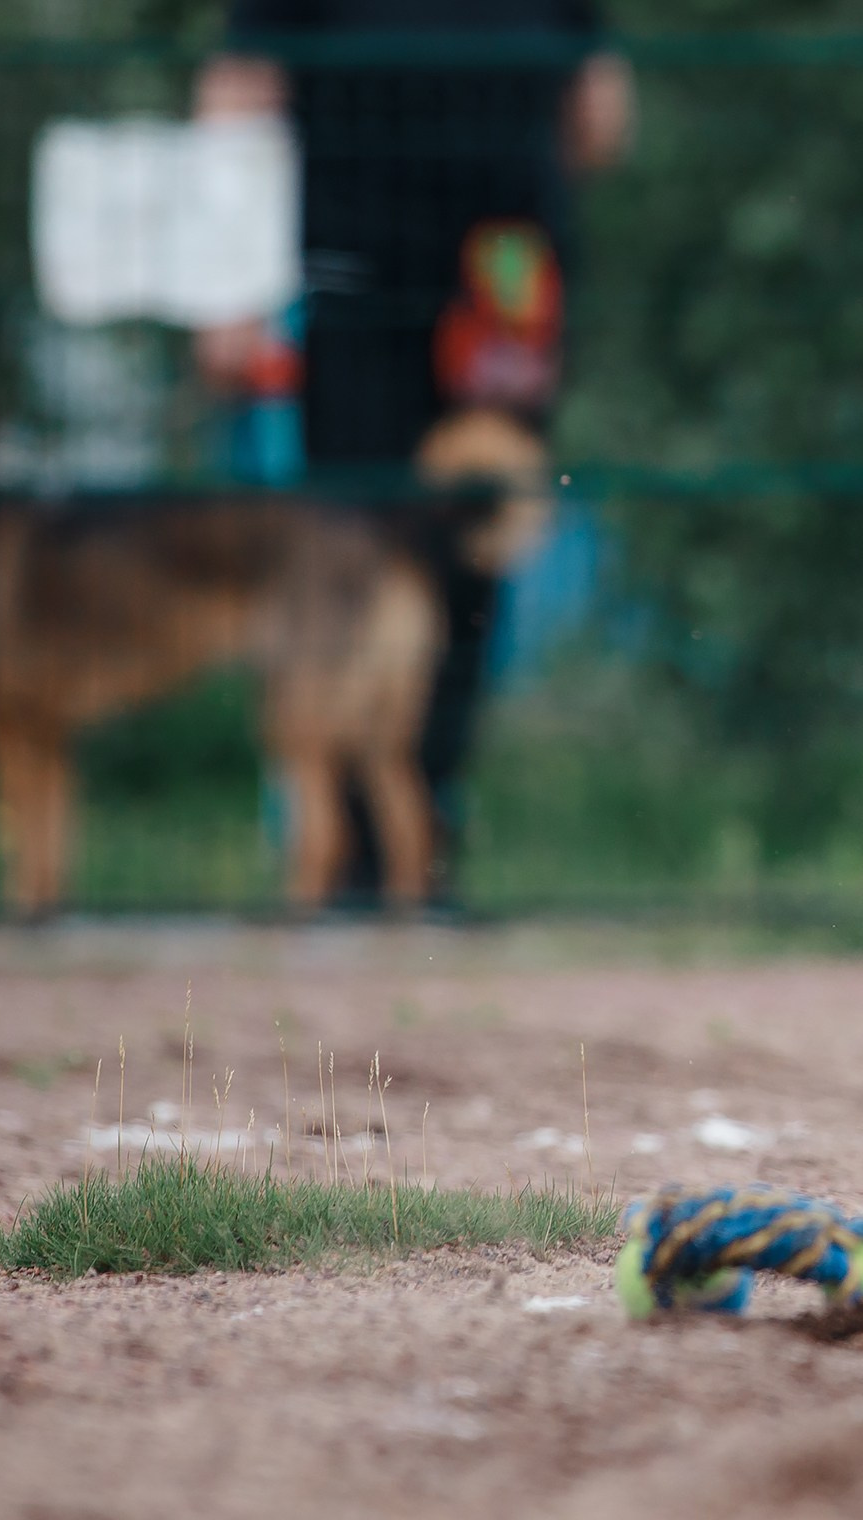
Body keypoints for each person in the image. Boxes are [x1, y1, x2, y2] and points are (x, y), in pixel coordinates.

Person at [194, 0, 632, 904]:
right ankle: (350, 848)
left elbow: (598, 115)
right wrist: (228, 291)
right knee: (355, 556)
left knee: (473, 551)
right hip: (366, 279)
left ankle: (417, 840)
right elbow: (238, 93)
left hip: (503, 287)